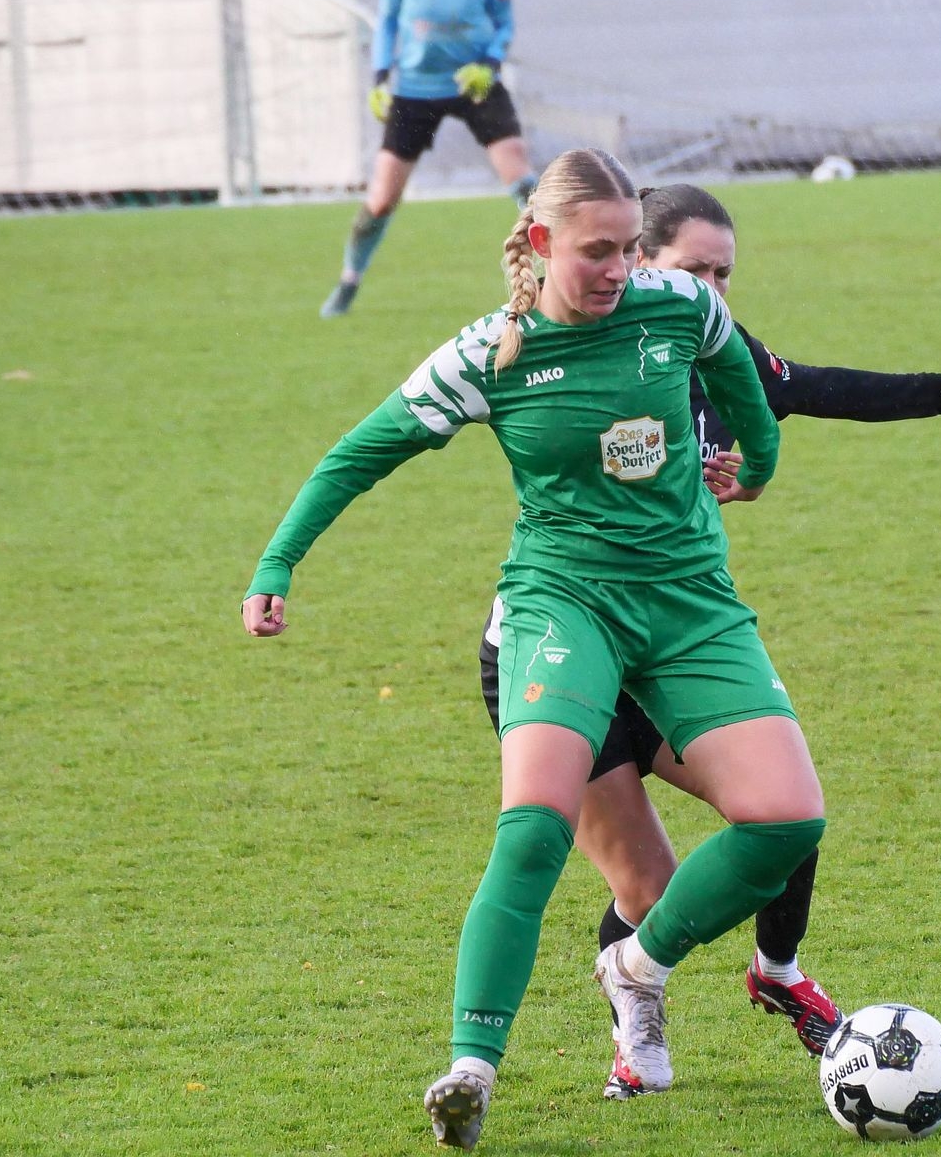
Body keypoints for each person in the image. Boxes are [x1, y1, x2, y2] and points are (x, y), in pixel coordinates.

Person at [245, 149, 829, 1151]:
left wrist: (760, 466)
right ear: (542, 242)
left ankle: (637, 964)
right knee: (533, 828)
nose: (619, 270)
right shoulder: (489, 353)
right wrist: (277, 563)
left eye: (629, 249)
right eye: (597, 251)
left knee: (788, 819)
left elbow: (741, 379)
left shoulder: (679, 308)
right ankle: (471, 1068)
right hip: (564, 606)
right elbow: (358, 454)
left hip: (689, 603)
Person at [475, 182, 941, 1098]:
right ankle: (633, 1027)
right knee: (645, 888)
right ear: (639, 259)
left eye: (725, 272)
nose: (714, 288)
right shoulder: (584, 348)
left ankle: (778, 969)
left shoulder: (716, 345)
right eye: (696, 268)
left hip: (674, 642)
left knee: (782, 808)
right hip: (571, 650)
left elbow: (814, 387)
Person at [321, 0, 537, 319]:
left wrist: (489, 65)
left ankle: (553, 267)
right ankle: (349, 280)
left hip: (473, 84)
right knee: (382, 199)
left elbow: (504, 25)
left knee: (523, 181)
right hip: (416, 89)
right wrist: (380, 77)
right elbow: (386, 24)